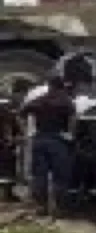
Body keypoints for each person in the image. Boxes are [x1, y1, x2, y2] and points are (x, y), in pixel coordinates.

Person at [19, 76, 76, 216]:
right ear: (61, 87)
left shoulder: (39, 100)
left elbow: (21, 114)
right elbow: (73, 118)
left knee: (39, 175)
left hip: (39, 139)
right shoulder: (66, 101)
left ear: (49, 85)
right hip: (58, 140)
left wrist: (26, 133)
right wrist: (70, 134)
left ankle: (41, 207)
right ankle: (60, 209)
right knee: (60, 176)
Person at [0, 92, 21, 202]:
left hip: (6, 146)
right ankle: (7, 194)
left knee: (7, 171)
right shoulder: (10, 116)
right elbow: (16, 132)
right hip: (6, 147)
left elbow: (16, 132)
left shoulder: (11, 117)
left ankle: (7, 194)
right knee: (7, 171)